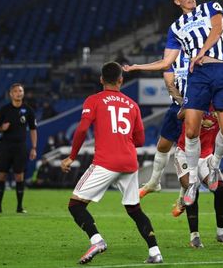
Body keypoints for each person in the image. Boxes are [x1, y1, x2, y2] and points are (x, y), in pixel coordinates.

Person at [123, 0, 223, 206]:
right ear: (177, 1)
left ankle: (213, 166)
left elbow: (217, 29)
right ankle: (192, 180)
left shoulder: (211, 7)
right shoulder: (175, 28)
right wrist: (137, 67)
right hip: (198, 76)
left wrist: (201, 52)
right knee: (191, 131)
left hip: (222, 69)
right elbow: (167, 62)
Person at [60, 62, 163, 264]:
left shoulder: (94, 100)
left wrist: (72, 156)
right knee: (135, 209)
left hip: (106, 162)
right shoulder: (132, 105)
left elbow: (81, 130)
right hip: (129, 163)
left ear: (101, 80)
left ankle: (97, 240)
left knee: (75, 205)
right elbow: (140, 141)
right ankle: (155, 252)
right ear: (121, 80)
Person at [172, 107, 223, 248]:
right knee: (191, 186)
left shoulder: (221, 103)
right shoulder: (196, 98)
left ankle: (221, 233)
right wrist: (197, 112)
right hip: (185, 154)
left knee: (219, 188)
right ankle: (194, 236)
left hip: (206, 155)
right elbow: (179, 115)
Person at [139, 51, 188, 197]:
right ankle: (154, 182)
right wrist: (182, 104)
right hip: (176, 107)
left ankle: (184, 195)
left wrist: (191, 107)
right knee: (163, 146)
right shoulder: (173, 57)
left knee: (186, 151)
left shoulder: (201, 54)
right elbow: (170, 85)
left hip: (196, 109)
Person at [0, 83, 37, 214]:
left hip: (20, 147)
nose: (18, 93)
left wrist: (34, 147)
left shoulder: (28, 110)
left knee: (19, 176)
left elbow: (33, 129)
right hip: (5, 146)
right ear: (11, 94)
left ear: (23, 93)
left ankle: (20, 207)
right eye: (15, 91)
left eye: (20, 91)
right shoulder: (4, 110)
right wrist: (1, 129)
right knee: (1, 175)